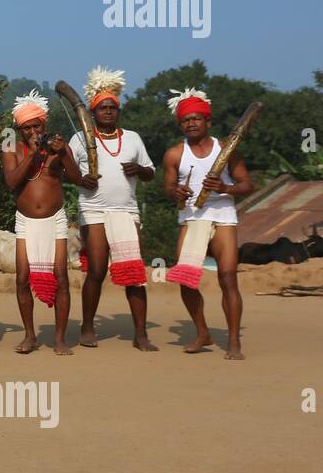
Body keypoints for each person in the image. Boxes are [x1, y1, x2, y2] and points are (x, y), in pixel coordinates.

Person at [161, 88, 253, 360]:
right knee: (185, 280)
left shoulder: (227, 150)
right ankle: (202, 331)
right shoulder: (174, 154)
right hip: (192, 218)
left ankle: (234, 341)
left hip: (223, 217)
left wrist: (225, 188)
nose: (191, 123)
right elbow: (166, 187)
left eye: (196, 118)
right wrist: (175, 192)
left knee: (228, 278)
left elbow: (247, 184)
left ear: (208, 122)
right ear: (180, 125)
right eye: (185, 120)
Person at [69, 68, 155, 351]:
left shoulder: (132, 138)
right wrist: (82, 179)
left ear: (118, 111)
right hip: (93, 211)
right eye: (102, 108)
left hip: (127, 212)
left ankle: (141, 333)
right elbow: (66, 169)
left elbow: (150, 173)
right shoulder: (80, 138)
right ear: (93, 112)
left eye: (112, 108)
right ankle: (88, 326)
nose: (108, 112)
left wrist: (140, 170)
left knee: (134, 273)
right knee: (96, 269)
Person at [1, 90, 86, 355]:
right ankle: (29, 336)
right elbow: (12, 182)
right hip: (25, 220)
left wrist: (64, 155)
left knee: (60, 278)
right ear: (18, 129)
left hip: (55, 220)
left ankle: (60, 338)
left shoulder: (60, 148)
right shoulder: (11, 148)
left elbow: (76, 178)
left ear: (44, 124)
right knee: (22, 279)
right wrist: (33, 154)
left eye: (36, 125)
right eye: (25, 128)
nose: (32, 131)